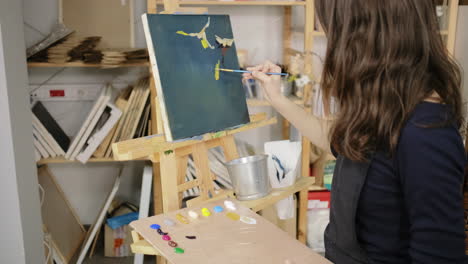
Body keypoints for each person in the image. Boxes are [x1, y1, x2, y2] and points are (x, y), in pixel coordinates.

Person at [244, 0, 466, 263]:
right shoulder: (385, 101)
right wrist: (278, 98)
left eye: (333, 29)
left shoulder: (425, 132)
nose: (329, 40)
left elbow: (439, 256)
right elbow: (340, 142)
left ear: (364, 35)